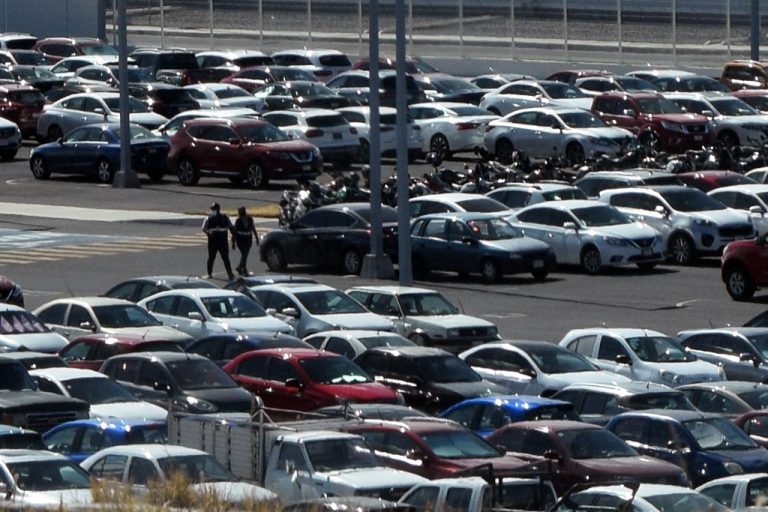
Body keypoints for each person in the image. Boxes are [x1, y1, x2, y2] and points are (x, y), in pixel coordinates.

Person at [202, 202, 235, 280]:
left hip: (222, 240)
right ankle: (209, 273)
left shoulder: (225, 217)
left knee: (225, 258)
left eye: (214, 209)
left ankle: (230, 274)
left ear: (218, 209)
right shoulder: (208, 218)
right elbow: (204, 228)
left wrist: (234, 236)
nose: (213, 210)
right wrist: (209, 233)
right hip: (213, 240)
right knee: (211, 257)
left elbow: (231, 227)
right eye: (212, 209)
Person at [232, 206, 259, 276]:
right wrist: (233, 242)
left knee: (245, 254)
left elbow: (253, 228)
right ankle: (244, 269)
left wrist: (257, 238)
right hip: (240, 239)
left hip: (248, 238)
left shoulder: (250, 219)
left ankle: (239, 267)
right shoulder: (238, 220)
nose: (241, 212)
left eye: (242, 211)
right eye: (240, 211)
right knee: (244, 254)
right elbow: (235, 231)